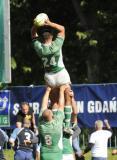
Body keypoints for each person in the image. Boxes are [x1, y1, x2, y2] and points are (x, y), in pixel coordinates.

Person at [31, 17, 71, 87]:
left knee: (52, 97)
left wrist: (36, 25)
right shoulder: (56, 44)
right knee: (69, 97)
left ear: (42, 36)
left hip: (49, 77)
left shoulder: (39, 48)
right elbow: (62, 29)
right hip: (61, 73)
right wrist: (49, 23)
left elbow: (33, 34)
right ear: (52, 36)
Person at [38, 85, 66, 160]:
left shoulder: (41, 125)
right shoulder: (56, 124)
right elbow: (61, 105)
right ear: (52, 116)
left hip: (44, 154)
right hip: (56, 154)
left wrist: (47, 91)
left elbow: (43, 106)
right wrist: (61, 91)